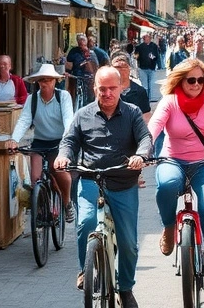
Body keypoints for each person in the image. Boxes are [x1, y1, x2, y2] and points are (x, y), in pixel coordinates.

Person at [56, 67, 152, 308]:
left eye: (112, 88)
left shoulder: (132, 113)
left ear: (121, 87)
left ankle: (126, 288)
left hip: (123, 183)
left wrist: (140, 155)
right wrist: (63, 155)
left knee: (129, 242)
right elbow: (69, 141)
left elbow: (145, 138)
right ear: (95, 88)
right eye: (102, 89)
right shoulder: (83, 114)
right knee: (85, 224)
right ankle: (84, 270)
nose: (107, 93)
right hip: (91, 182)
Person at [148, 58, 204, 289]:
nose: (197, 84)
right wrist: (143, 150)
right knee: (167, 185)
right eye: (191, 80)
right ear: (180, 80)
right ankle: (168, 227)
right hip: (173, 159)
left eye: (201, 80)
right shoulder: (169, 102)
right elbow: (154, 128)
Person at [6, 63, 75, 222]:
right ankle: (43, 209)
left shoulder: (62, 96)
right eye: (42, 80)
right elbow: (24, 120)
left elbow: (68, 119)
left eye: (49, 80)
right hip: (39, 141)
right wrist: (14, 140)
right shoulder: (33, 99)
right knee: (35, 178)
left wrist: (66, 139)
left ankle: (67, 202)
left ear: (55, 82)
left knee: (56, 168)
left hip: (59, 141)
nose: (45, 83)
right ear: (37, 82)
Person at [67, 34, 109, 106]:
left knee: (89, 99)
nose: (82, 46)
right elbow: (69, 65)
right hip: (76, 79)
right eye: (80, 44)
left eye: (83, 43)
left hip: (89, 80)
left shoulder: (92, 53)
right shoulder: (74, 51)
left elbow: (96, 66)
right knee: (76, 99)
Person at [132, 33, 161, 100]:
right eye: (145, 37)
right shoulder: (139, 47)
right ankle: (145, 99)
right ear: (144, 38)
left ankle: (149, 99)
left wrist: (154, 58)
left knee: (151, 85)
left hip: (152, 67)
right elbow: (135, 56)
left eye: (148, 37)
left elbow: (157, 56)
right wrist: (136, 56)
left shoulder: (154, 46)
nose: (147, 39)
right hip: (142, 68)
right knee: (145, 86)